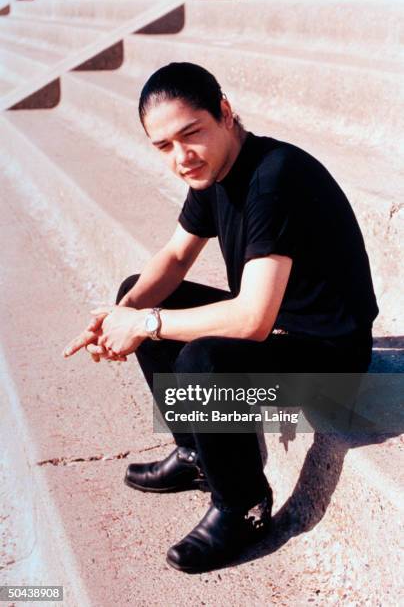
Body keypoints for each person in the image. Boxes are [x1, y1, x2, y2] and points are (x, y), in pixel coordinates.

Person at [63, 62, 379, 573]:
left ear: (225, 113)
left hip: (331, 364)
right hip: (280, 334)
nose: (181, 157)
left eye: (191, 134)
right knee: (136, 295)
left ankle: (243, 506)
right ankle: (195, 455)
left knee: (201, 356)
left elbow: (251, 320)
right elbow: (174, 257)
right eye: (163, 147)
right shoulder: (215, 170)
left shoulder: (274, 178)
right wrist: (119, 315)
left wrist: (146, 325)